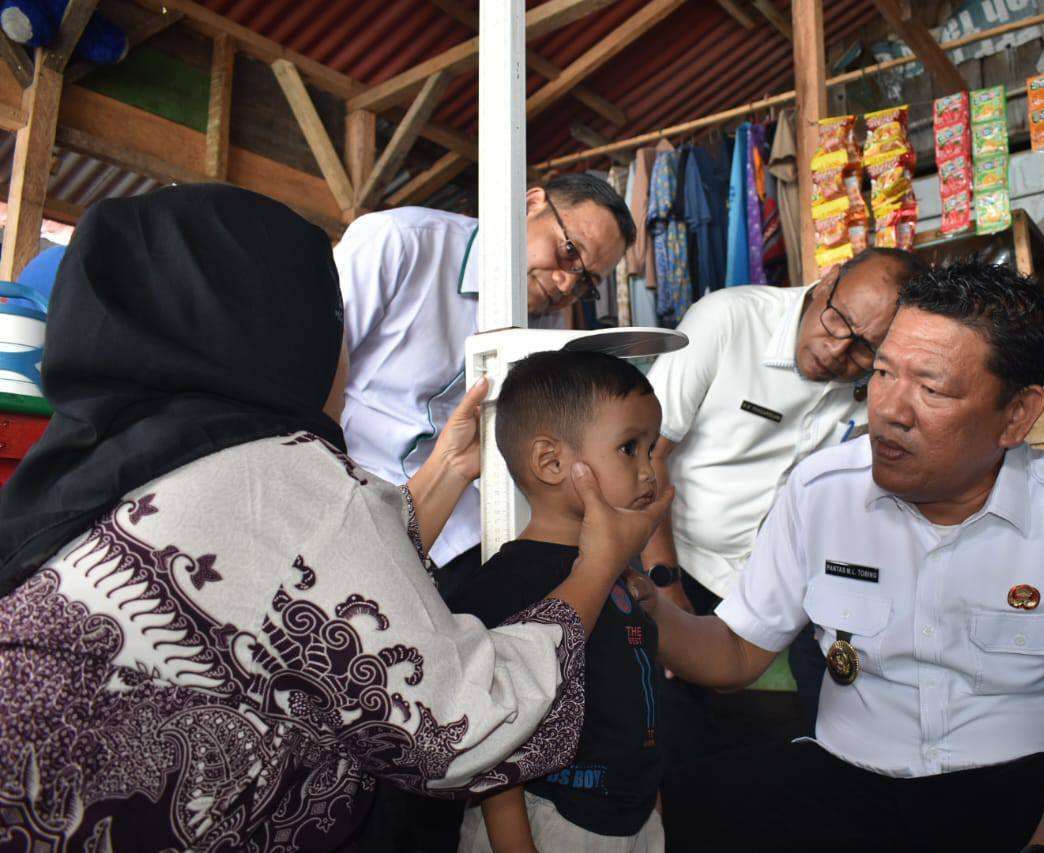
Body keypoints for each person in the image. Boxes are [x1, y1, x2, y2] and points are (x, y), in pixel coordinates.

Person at [0, 185, 670, 851]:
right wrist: (599, 565)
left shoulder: (117, 457)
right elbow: (460, 727)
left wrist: (446, 467)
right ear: (291, 329)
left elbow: (297, 576)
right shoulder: (290, 475)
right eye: (331, 317)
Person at [632, 261, 1044, 852]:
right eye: (884, 373)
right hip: (848, 782)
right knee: (671, 811)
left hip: (1022, 792)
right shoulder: (820, 490)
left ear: (1017, 415)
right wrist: (645, 606)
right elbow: (736, 651)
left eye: (932, 389)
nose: (890, 410)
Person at [640, 247, 925, 746]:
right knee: (675, 722)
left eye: (864, 348)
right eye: (838, 321)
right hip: (681, 561)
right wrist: (665, 584)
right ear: (826, 282)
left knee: (837, 701)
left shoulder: (878, 381)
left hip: (784, 575)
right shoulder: (727, 321)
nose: (837, 351)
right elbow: (646, 455)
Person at [334, 173, 636, 598]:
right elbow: (307, 373)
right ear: (530, 204)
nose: (567, 283)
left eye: (586, 281)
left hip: (456, 513)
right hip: (347, 484)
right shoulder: (402, 242)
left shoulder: (545, 320)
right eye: (569, 251)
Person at [451, 351, 665, 853]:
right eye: (629, 448)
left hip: (632, 818)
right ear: (550, 462)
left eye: (652, 449)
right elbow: (492, 743)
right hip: (547, 823)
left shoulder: (620, 577)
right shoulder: (503, 586)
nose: (649, 471)